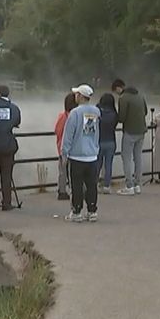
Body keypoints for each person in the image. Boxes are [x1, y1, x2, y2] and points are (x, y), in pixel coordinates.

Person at [61, 84, 101, 222]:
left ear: (80, 96)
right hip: (92, 154)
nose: (75, 96)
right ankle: (92, 210)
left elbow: (68, 135)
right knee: (91, 185)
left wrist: (64, 152)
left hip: (77, 155)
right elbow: (96, 132)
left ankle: (76, 211)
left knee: (76, 185)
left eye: (76, 94)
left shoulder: (75, 113)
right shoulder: (96, 111)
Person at [113, 79, 148, 195]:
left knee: (126, 158)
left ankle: (129, 185)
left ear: (119, 88)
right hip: (141, 131)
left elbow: (121, 118)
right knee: (138, 157)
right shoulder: (140, 95)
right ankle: (138, 184)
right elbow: (146, 112)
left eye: (115, 91)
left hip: (130, 131)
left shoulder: (123, 98)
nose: (116, 93)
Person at [53, 92, 77, 201]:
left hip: (62, 147)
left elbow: (57, 130)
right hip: (74, 148)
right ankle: (74, 189)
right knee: (73, 171)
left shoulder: (63, 116)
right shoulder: (76, 116)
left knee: (62, 171)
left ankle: (62, 191)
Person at [96, 92, 118, 193]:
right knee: (108, 165)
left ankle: (94, 184)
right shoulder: (114, 114)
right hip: (111, 142)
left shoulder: (99, 112)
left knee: (97, 164)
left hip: (99, 141)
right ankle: (106, 186)